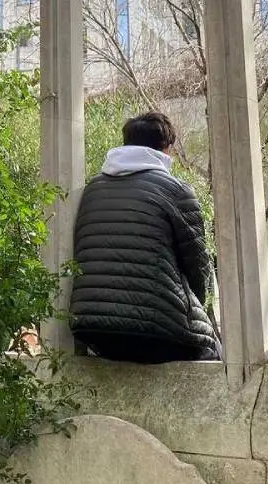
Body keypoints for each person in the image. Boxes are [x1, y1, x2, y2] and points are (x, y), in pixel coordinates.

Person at [69, 111, 220, 363]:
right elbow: (198, 266)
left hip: (92, 329)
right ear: (166, 148)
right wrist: (197, 307)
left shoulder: (92, 189)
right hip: (156, 331)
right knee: (214, 356)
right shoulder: (177, 191)